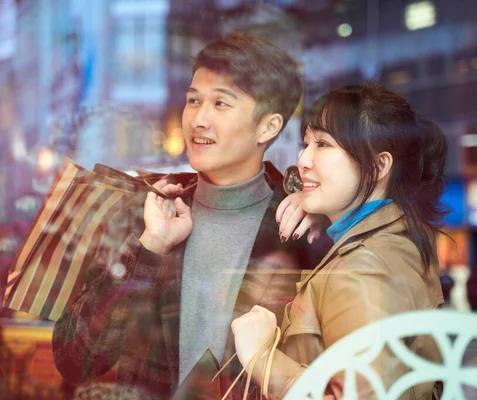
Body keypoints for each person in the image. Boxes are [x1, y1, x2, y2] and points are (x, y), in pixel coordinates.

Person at [52, 33, 327, 398]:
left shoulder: (297, 228)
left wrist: (313, 204)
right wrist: (150, 247)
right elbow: (75, 360)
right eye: (193, 100)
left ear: (269, 126)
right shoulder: (151, 214)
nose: (199, 118)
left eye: (221, 104)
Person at [231, 84, 448, 399]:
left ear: (378, 166)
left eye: (323, 144)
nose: (304, 159)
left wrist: (262, 359)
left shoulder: (362, 269)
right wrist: (316, 205)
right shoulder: (401, 234)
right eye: (306, 143)